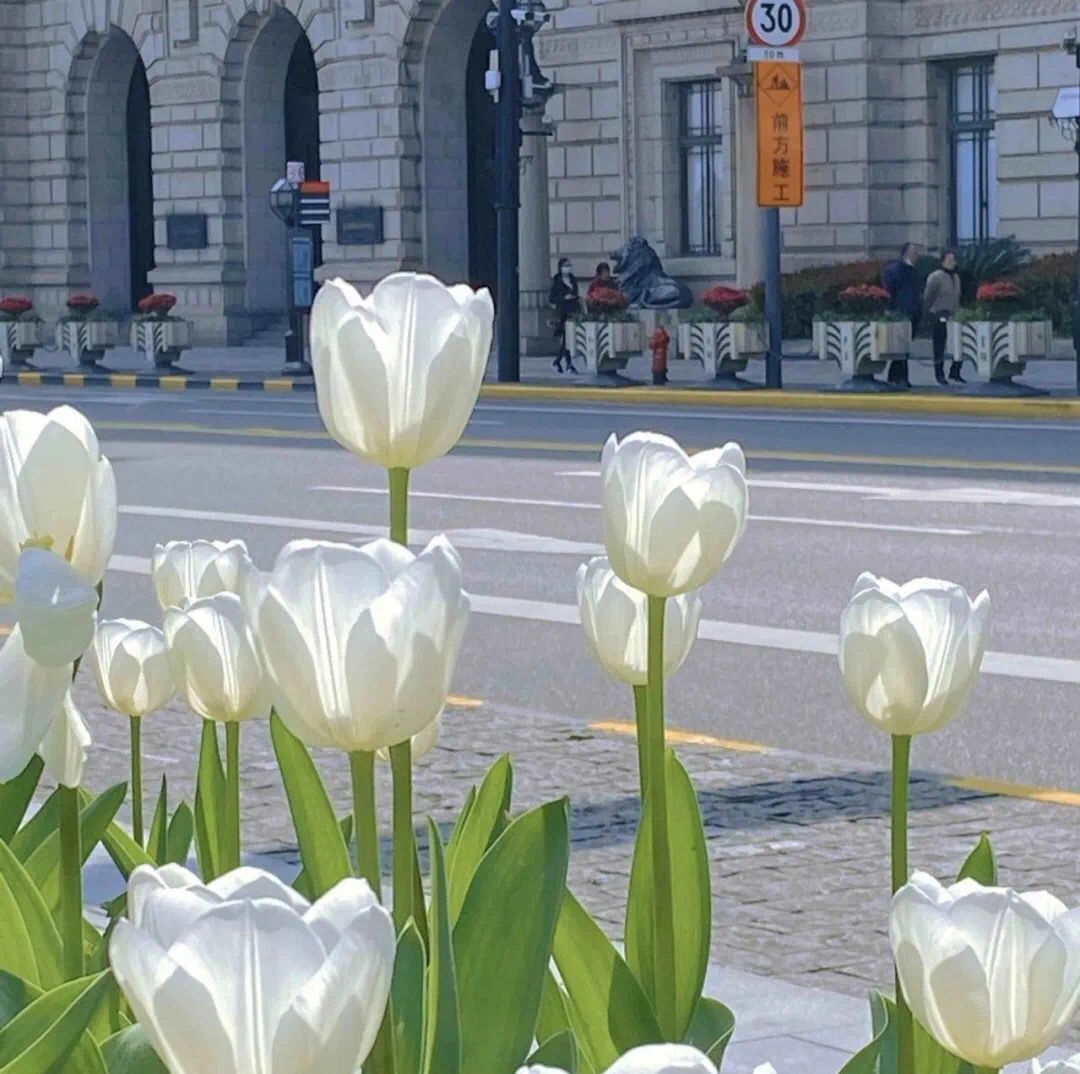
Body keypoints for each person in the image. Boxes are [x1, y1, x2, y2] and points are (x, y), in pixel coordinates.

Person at [881, 242, 921, 387]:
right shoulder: (895, 270)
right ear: (906, 253)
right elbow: (889, 292)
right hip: (900, 313)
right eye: (914, 251)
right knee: (900, 348)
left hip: (912, 313)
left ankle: (896, 377)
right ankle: (899, 377)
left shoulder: (913, 271)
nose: (917, 254)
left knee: (904, 349)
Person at [923, 250, 964, 386]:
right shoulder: (935, 277)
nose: (953, 262)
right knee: (939, 345)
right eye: (949, 260)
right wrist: (928, 313)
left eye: (954, 260)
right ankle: (939, 374)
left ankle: (955, 372)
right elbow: (928, 297)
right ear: (943, 261)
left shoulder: (956, 277)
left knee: (959, 343)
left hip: (954, 314)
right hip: (940, 313)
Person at [548, 257, 580, 374]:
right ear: (560, 268)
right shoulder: (557, 282)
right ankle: (567, 364)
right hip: (562, 313)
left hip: (573, 311)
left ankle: (560, 362)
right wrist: (563, 298)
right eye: (565, 265)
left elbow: (576, 294)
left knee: (568, 340)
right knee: (567, 339)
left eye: (569, 265)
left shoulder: (573, 280)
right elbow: (552, 298)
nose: (568, 268)